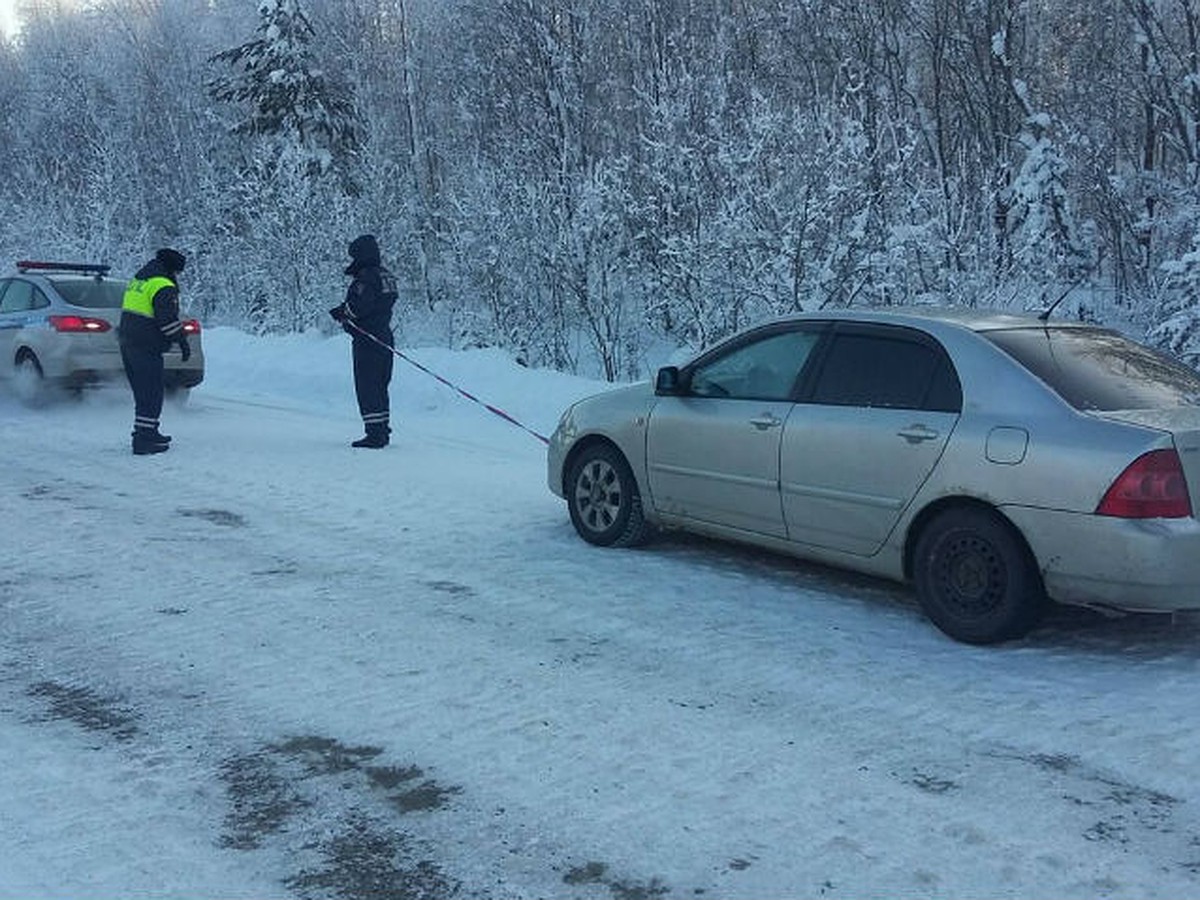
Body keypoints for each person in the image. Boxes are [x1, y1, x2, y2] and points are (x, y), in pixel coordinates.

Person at [119, 247, 191, 455]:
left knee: (143, 393)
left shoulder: (140, 279)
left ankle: (146, 431)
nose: (178, 277)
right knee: (151, 393)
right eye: (178, 273)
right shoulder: (163, 285)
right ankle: (144, 440)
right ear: (172, 269)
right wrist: (181, 341)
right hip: (146, 346)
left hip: (129, 343)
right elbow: (167, 321)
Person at [329, 234, 398, 448]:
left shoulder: (366, 277)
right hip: (384, 336)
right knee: (380, 384)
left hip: (367, 338)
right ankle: (381, 430)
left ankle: (375, 435)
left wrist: (342, 312)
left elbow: (359, 306)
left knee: (368, 386)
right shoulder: (386, 275)